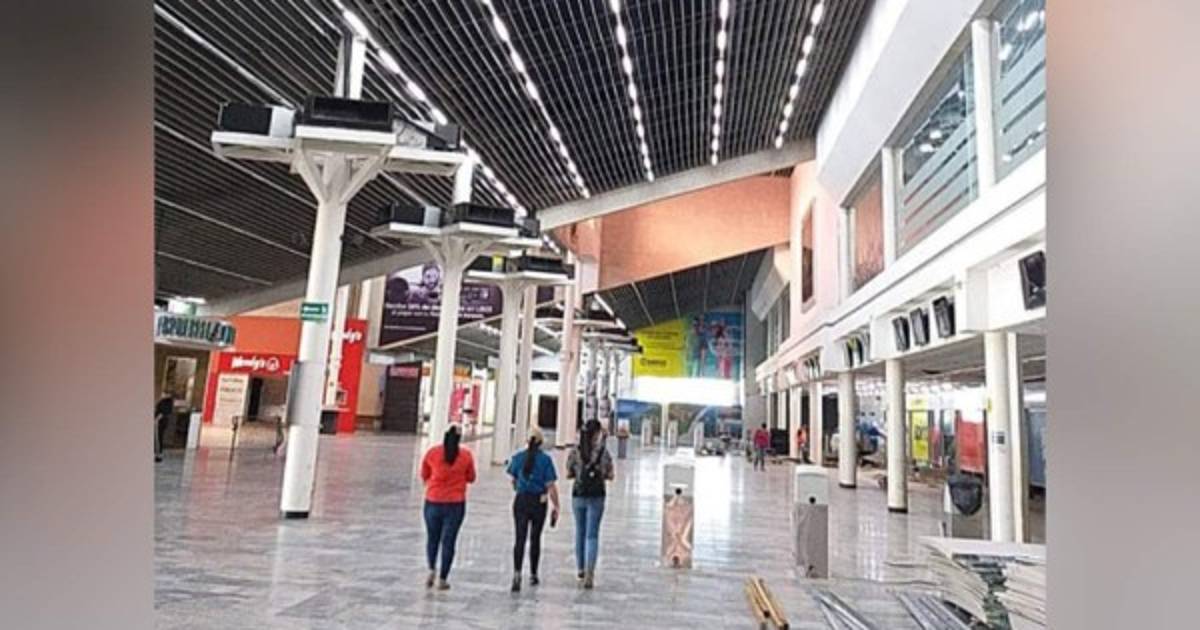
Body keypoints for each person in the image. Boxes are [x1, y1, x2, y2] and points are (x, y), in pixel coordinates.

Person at [419, 424, 476, 590]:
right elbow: (471, 477)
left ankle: (431, 568)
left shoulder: (433, 453)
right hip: (455, 504)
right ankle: (443, 578)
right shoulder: (465, 456)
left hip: (433, 501)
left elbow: (424, 475)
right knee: (449, 541)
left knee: (432, 538)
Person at [506, 426, 560, 592]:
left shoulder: (517, 458)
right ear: (541, 442)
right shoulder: (546, 460)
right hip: (539, 502)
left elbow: (513, 480)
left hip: (521, 501)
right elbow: (550, 485)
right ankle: (533, 573)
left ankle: (516, 573)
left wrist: (520, 487)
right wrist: (556, 505)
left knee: (520, 538)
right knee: (535, 538)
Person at [566, 419, 614, 589]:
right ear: (597, 434)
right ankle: (590, 572)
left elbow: (568, 473)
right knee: (592, 535)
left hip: (578, 495)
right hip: (597, 496)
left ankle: (580, 569)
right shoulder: (603, 453)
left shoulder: (575, 451)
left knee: (580, 532)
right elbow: (610, 474)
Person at [154, 392, 174, 463]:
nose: (162, 394)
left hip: (161, 422)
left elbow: (163, 412)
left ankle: (158, 455)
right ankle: (158, 454)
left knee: (158, 438)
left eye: (164, 393)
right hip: (161, 421)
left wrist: (156, 420)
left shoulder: (167, 401)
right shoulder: (165, 401)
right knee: (158, 438)